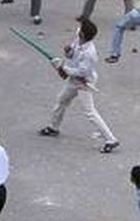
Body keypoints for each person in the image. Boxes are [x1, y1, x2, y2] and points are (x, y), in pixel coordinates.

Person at [39, 18, 118, 153]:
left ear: (83, 35)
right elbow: (72, 54)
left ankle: (111, 139)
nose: (78, 31)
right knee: (62, 100)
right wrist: (68, 52)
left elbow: (82, 72)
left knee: (90, 112)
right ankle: (54, 127)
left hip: (84, 83)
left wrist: (62, 66)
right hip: (74, 80)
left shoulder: (90, 54)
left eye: (80, 30)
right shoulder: (79, 37)